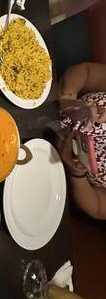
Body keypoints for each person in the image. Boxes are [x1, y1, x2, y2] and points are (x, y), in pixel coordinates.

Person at [57, 62, 106, 220]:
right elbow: (86, 72)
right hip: (45, 105)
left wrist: (77, 173)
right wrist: (67, 99)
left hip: (50, 169)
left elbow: (97, 207)